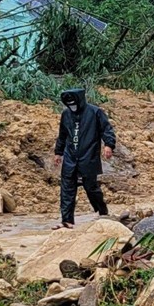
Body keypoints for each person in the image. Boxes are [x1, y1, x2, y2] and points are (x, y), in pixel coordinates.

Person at [53, 88, 116, 229]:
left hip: (89, 155)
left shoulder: (95, 112)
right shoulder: (66, 114)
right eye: (69, 104)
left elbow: (106, 129)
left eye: (74, 103)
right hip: (70, 156)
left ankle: (102, 211)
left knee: (91, 187)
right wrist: (58, 152)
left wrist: (109, 145)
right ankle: (67, 220)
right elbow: (62, 134)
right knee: (67, 188)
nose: (72, 106)